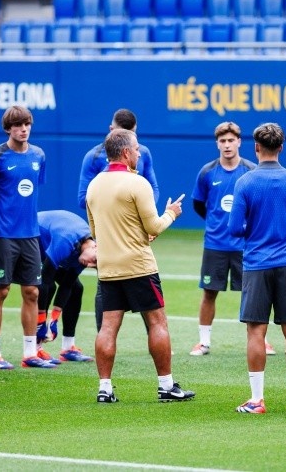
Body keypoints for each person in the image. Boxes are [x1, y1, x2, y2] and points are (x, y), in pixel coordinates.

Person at [86, 128, 194, 404]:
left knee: (108, 327)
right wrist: (171, 213)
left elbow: (97, 232)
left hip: (108, 268)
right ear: (125, 152)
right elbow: (154, 226)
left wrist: (135, 234)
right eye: (136, 148)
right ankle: (166, 386)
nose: (139, 153)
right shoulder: (138, 183)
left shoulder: (94, 185)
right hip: (139, 266)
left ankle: (104, 388)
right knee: (157, 322)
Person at [228, 122, 286, 414]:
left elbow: (234, 228)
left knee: (256, 332)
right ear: (281, 148)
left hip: (256, 264)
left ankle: (257, 400)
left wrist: (255, 229)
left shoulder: (245, 182)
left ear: (256, 147)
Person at [77, 108, 159, 332]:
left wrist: (144, 215)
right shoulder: (93, 157)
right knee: (105, 289)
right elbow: (84, 198)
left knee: (146, 290)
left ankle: (153, 338)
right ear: (111, 130)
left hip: (136, 231)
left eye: (132, 135)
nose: (130, 141)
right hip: (110, 233)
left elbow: (152, 188)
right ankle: (103, 336)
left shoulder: (142, 153)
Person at [188, 121, 265, 356]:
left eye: (231, 140)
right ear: (217, 144)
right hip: (215, 244)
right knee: (209, 292)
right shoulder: (207, 172)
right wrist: (216, 222)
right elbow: (199, 204)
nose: (227, 145)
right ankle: (204, 342)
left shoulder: (251, 171)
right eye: (223, 141)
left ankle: (262, 341)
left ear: (239, 142)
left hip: (245, 245)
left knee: (253, 294)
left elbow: (259, 205)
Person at [0, 106, 51, 369]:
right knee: (0, 291)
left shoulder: (39, 155)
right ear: (8, 129)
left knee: (32, 292)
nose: (23, 129)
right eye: (17, 125)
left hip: (30, 234)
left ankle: (29, 353)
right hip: (3, 235)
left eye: (27, 124)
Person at [35, 210, 97, 363]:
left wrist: (54, 320)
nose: (90, 265)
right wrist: (42, 322)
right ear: (95, 247)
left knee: (76, 289)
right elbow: (45, 281)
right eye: (94, 261)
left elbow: (67, 284)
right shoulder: (66, 240)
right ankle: (35, 349)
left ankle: (68, 348)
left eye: (95, 266)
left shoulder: (85, 255)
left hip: (50, 244)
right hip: (32, 236)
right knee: (48, 287)